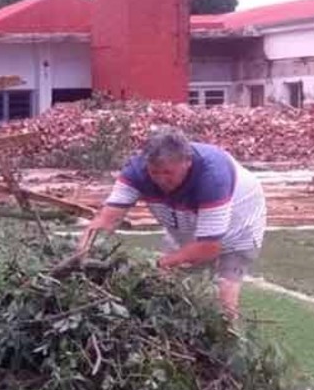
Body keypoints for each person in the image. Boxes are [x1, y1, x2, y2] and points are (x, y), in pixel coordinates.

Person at [76, 127, 266, 317]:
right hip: (184, 219)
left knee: (223, 297)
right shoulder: (137, 171)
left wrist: (157, 264)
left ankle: (228, 337)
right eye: (154, 172)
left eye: (168, 172)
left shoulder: (212, 176)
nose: (161, 179)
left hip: (239, 221)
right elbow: (107, 219)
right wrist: (81, 253)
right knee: (170, 287)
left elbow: (209, 247)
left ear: (187, 163)